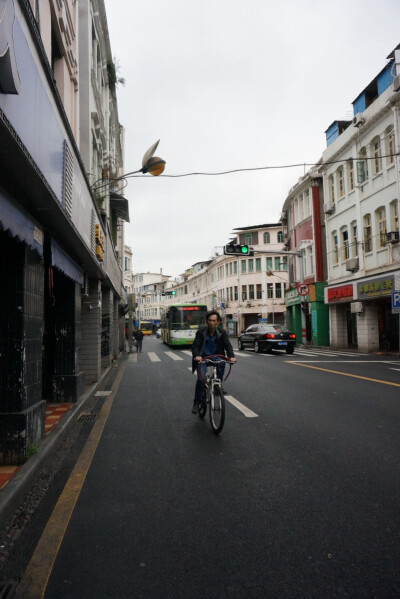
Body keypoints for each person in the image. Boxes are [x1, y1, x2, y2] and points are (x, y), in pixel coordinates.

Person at [191, 310, 236, 414]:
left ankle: (218, 385)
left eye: (214, 321)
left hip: (216, 356)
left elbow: (228, 345)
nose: (212, 323)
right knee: (201, 380)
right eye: (210, 320)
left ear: (218, 322)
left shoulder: (222, 332)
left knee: (222, 362)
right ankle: (196, 403)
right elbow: (196, 345)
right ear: (207, 321)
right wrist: (197, 356)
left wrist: (231, 356)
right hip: (202, 358)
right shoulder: (201, 332)